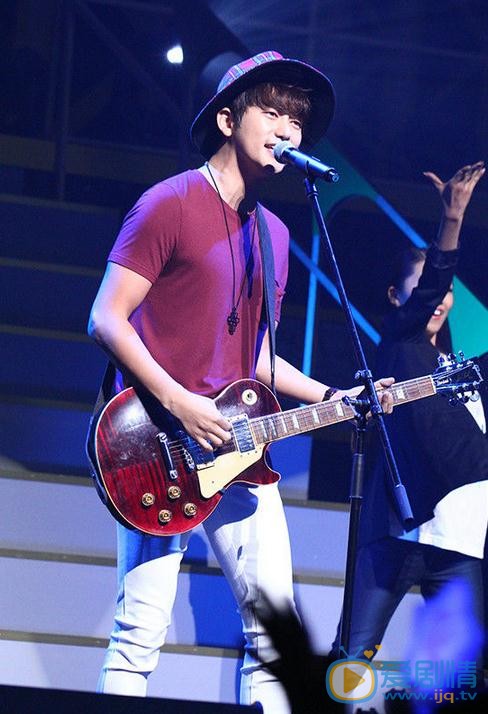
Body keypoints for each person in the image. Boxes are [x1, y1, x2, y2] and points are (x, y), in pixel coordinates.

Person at [87, 50, 393, 713]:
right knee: (140, 630)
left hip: (240, 445)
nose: (288, 130)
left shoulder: (274, 236)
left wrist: (332, 397)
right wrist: (180, 403)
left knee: (275, 635)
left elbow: (256, 358)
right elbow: (106, 318)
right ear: (228, 120)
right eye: (274, 112)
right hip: (157, 443)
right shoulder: (168, 204)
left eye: (298, 121)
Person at [332, 161, 487, 688]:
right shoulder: (400, 346)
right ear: (396, 298)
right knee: (349, 666)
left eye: (445, 291)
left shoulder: (467, 369)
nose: (438, 299)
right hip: (399, 535)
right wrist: (453, 221)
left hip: (461, 546)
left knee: (457, 683)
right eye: (424, 290)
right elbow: (426, 296)